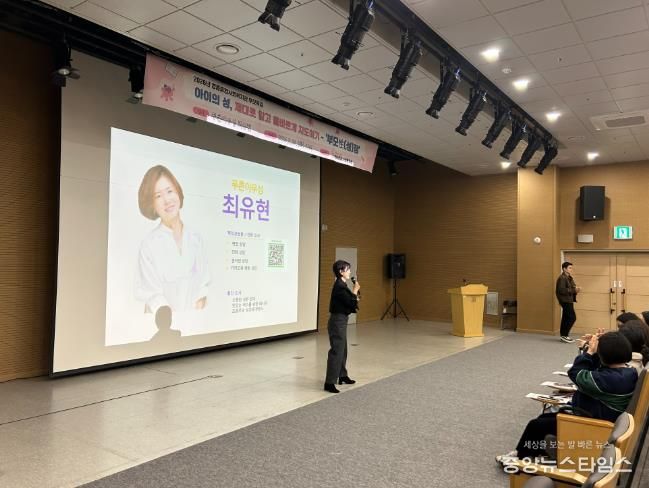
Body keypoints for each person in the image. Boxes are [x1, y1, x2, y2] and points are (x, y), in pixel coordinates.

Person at [497, 331, 637, 464]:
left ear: (604, 356)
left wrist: (589, 352)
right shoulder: (628, 372)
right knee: (543, 418)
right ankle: (531, 452)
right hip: (599, 416)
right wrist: (598, 347)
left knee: (536, 425)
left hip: (592, 422)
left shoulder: (607, 380)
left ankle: (521, 458)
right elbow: (594, 369)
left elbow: (576, 373)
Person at [135, 165, 210, 318]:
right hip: (165, 326)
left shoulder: (196, 238)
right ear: (152, 205)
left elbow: (204, 286)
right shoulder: (149, 245)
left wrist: (195, 318)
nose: (167, 200)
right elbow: (152, 296)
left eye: (170, 191)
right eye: (158, 196)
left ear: (178, 193)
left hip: (197, 323)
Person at [324, 260, 360, 394]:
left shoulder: (342, 284)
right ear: (341, 272)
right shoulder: (339, 286)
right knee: (336, 351)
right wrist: (355, 291)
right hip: (337, 321)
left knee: (342, 349)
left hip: (341, 320)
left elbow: (350, 301)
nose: (349, 271)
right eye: (347, 269)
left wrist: (355, 295)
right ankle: (329, 382)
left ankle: (342, 375)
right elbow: (350, 302)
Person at [556, 261, 580, 343]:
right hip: (565, 301)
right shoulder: (562, 278)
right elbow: (561, 290)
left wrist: (576, 290)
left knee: (566, 318)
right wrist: (573, 290)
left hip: (569, 300)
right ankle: (565, 335)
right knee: (572, 318)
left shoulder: (569, 277)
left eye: (571, 268)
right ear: (564, 269)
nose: (571, 269)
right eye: (569, 268)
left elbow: (572, 288)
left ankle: (563, 335)